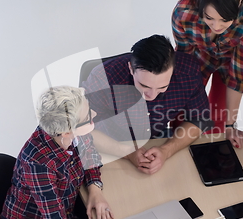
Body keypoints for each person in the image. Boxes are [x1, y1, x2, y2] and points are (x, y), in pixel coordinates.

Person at [0, 86, 154, 219]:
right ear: (66, 132)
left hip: (66, 215)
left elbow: (90, 155)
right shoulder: (38, 164)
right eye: (89, 115)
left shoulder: (72, 132)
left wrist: (95, 187)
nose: (94, 113)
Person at [82, 34, 212, 175]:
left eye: (162, 87)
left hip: (156, 140)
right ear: (131, 68)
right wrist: (127, 152)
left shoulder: (188, 71)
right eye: (144, 85)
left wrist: (166, 150)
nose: (152, 96)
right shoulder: (102, 79)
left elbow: (199, 120)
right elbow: (82, 129)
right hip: (111, 146)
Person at [172, 0, 243, 149]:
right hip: (197, 58)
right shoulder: (184, 12)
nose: (217, 26)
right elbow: (183, 62)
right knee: (181, 114)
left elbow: (239, 74)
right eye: (209, 18)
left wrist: (230, 125)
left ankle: (212, 152)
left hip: (232, 62)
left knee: (218, 116)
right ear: (200, 6)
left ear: (238, 4)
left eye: (225, 20)